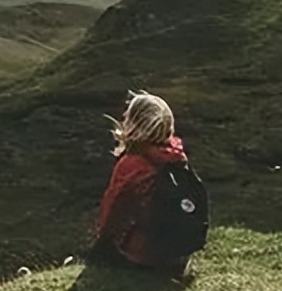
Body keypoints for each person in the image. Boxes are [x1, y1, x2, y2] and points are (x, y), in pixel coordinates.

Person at [87, 90, 205, 279]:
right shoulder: (176, 156)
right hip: (182, 250)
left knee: (100, 256)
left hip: (147, 255)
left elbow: (113, 210)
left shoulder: (131, 165)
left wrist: (103, 241)